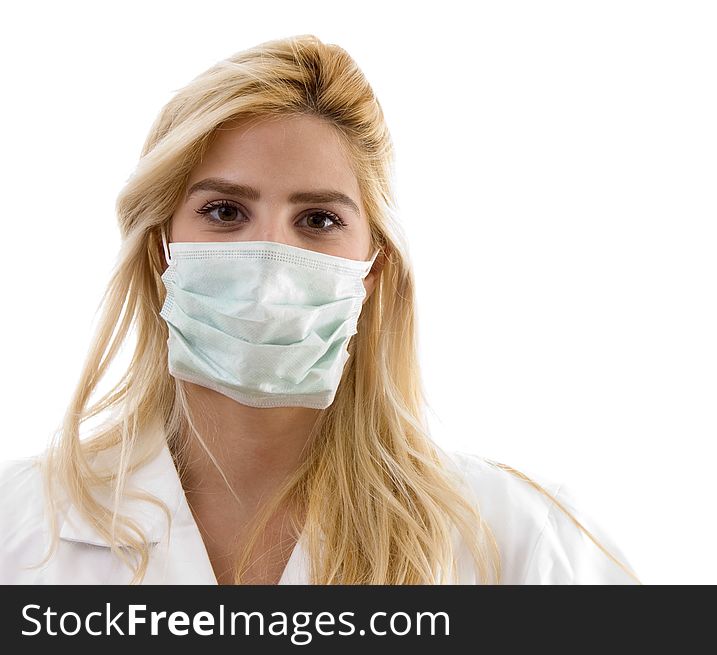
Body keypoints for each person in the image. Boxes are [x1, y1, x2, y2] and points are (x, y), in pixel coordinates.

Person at [0, 34, 640, 585]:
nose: (270, 258)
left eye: (318, 219)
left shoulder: (517, 541)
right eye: (225, 211)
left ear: (373, 269)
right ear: (160, 248)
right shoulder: (20, 527)